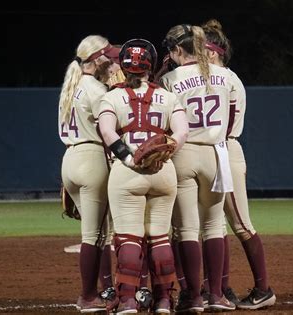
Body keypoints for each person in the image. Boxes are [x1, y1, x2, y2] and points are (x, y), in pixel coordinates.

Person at [97, 38, 189, 314]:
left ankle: (126, 300)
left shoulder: (111, 96)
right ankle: (163, 301)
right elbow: (182, 132)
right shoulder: (169, 96)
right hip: (162, 172)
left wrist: (128, 157)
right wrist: (163, 153)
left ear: (123, 66)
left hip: (127, 172)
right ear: (150, 65)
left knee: (129, 237)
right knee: (160, 237)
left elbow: (107, 132)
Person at [200, 19, 276, 310]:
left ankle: (263, 289)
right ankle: (222, 289)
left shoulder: (225, 78)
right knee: (216, 226)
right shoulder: (217, 77)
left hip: (224, 149)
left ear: (211, 52)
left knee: (241, 224)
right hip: (213, 151)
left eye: (198, 50)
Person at [160, 24, 236, 313]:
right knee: (214, 225)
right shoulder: (225, 75)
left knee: (186, 229)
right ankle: (216, 295)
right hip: (216, 153)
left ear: (178, 50)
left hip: (184, 153)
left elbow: (164, 120)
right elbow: (229, 121)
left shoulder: (170, 78)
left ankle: (193, 297)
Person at [58, 34, 121, 313]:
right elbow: (112, 128)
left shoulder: (71, 85)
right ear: (97, 59)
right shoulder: (96, 89)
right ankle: (87, 296)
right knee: (94, 235)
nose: (112, 60)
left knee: (98, 234)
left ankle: (102, 289)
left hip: (70, 159)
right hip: (92, 157)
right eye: (107, 55)